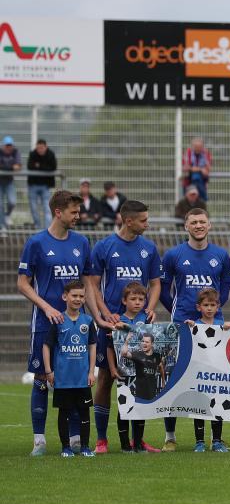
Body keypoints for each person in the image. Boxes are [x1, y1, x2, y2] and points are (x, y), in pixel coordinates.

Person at [17, 190, 94, 456]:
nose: (78, 216)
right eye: (74, 212)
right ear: (58, 212)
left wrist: (94, 317)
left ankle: (74, 439)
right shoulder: (36, 243)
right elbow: (22, 282)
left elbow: (88, 285)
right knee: (41, 377)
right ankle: (39, 440)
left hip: (76, 325)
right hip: (45, 323)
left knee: (75, 377)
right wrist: (47, 307)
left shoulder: (82, 243)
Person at [86, 200, 162, 454]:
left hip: (138, 327)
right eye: (143, 220)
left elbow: (155, 284)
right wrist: (104, 314)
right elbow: (93, 285)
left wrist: (150, 308)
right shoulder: (105, 246)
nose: (147, 224)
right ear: (128, 221)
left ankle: (137, 440)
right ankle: (101, 439)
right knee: (106, 378)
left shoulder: (149, 248)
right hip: (112, 325)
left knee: (139, 380)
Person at [160, 208, 230, 450]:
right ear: (186, 227)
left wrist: (210, 314)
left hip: (213, 327)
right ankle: (170, 437)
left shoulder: (221, 255)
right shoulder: (173, 255)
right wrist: (178, 310)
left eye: (202, 222)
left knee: (214, 381)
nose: (198, 226)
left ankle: (216, 440)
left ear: (209, 225)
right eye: (194, 222)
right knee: (175, 380)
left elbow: (224, 291)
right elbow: (162, 289)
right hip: (182, 326)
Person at [42, 280, 96, 457]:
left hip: (82, 378)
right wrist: (49, 371)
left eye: (81, 296)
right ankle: (65, 448)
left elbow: (92, 347)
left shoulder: (88, 321)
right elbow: (46, 346)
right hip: (63, 378)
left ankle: (86, 447)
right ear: (65, 296)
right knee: (64, 413)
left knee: (84, 413)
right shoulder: (57, 320)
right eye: (74, 295)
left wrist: (91, 372)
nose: (78, 299)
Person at [184, 288, 230, 452]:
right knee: (200, 406)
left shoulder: (222, 326)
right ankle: (199, 442)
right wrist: (190, 327)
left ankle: (217, 441)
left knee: (218, 405)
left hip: (217, 374)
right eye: (206, 305)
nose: (209, 308)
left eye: (213, 305)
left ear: (218, 306)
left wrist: (229, 331)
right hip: (199, 373)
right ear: (199, 307)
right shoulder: (195, 325)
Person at [106, 282, 151, 453]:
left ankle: (138, 443)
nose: (137, 302)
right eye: (133, 299)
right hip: (124, 372)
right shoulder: (117, 321)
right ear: (124, 301)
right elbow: (109, 347)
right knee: (124, 408)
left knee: (141, 408)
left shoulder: (147, 320)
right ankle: (125, 445)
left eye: (141, 299)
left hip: (143, 372)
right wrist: (112, 368)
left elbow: (153, 343)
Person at [26, 139, 57, 230]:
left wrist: (39, 165)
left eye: (41, 148)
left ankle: (47, 229)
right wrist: (44, 167)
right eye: (38, 148)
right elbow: (30, 166)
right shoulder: (32, 154)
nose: (40, 150)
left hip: (45, 186)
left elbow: (53, 168)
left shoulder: (50, 154)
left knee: (47, 209)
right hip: (33, 185)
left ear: (45, 147)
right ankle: (38, 227)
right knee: (34, 208)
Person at [0, 135, 22, 229]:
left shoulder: (15, 152)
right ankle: (2, 227)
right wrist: (11, 167)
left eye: (10, 145)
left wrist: (5, 167)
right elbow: (14, 167)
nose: (8, 147)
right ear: (3, 146)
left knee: (12, 202)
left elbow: (18, 166)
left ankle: (7, 215)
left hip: (9, 181)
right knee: (0, 205)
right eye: (6, 145)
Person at [182, 137, 212, 201]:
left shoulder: (205, 153)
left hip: (202, 180)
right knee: (196, 176)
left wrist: (195, 168)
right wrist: (200, 169)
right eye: (196, 147)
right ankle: (203, 197)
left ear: (202, 147)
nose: (198, 149)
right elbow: (186, 167)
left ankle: (199, 196)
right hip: (189, 179)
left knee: (197, 177)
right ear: (192, 147)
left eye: (200, 147)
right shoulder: (188, 152)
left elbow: (208, 169)